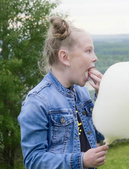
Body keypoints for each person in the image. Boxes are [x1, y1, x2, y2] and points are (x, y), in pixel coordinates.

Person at [18, 16, 109, 169]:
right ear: (65, 58)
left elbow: (101, 135)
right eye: (88, 51)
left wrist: (102, 97)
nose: (95, 58)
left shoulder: (82, 93)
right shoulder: (38, 101)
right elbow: (33, 161)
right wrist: (81, 161)